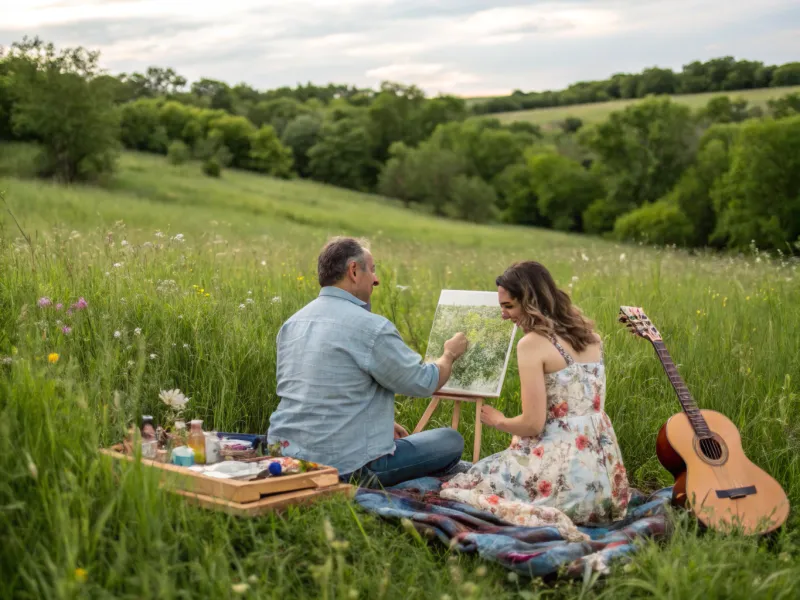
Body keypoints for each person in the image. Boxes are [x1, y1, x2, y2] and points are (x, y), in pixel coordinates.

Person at [439, 261, 629, 541]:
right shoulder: (593, 339)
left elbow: (532, 424)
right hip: (606, 483)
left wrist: (498, 420)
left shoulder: (531, 344)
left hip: (564, 480)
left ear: (531, 302)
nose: (504, 315)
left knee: (461, 487)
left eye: (509, 306)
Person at [267, 236, 469, 487]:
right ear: (353, 270)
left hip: (285, 456)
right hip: (346, 467)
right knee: (451, 440)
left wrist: (379, 423)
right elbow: (423, 382)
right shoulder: (370, 327)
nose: (376, 279)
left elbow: (319, 392)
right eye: (372, 270)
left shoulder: (292, 323)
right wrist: (449, 354)